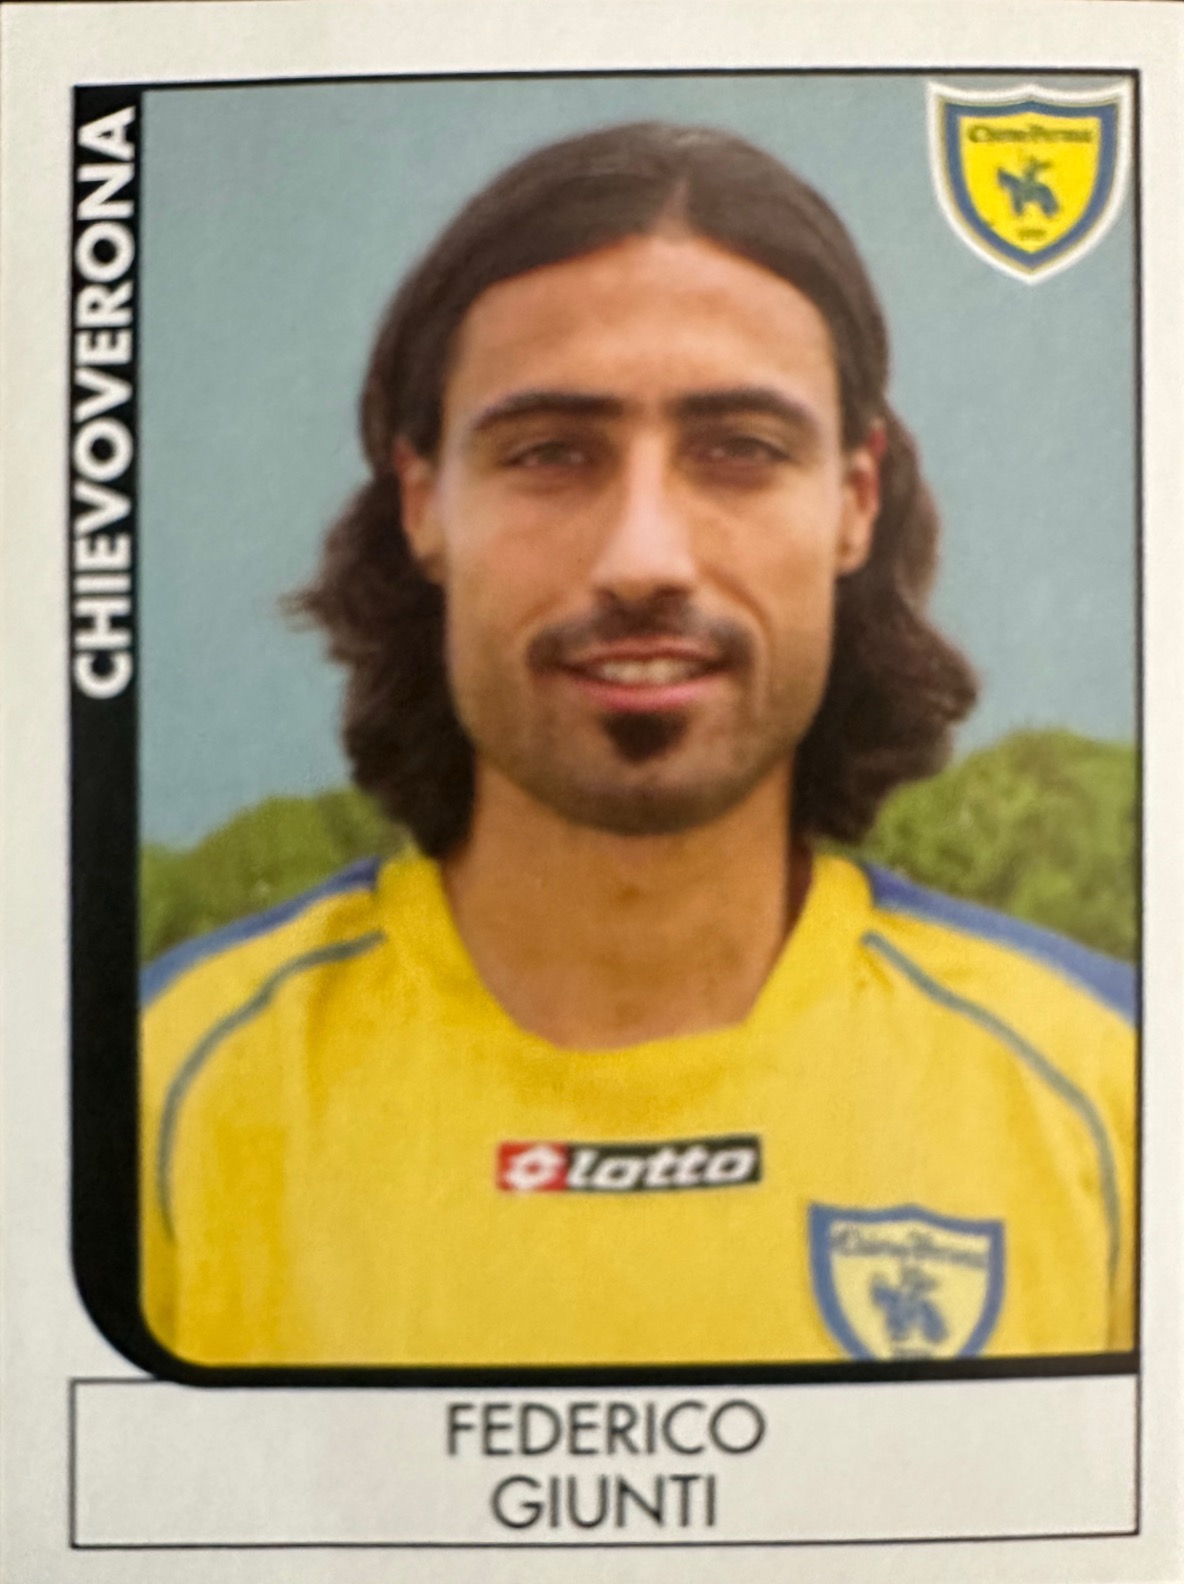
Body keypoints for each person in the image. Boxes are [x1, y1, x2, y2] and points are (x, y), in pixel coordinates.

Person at [141, 122, 1135, 1368]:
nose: (643, 557)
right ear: (423, 502)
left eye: (739, 451)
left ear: (853, 499)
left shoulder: (1113, 1090)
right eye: (550, 453)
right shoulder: (155, 1094)